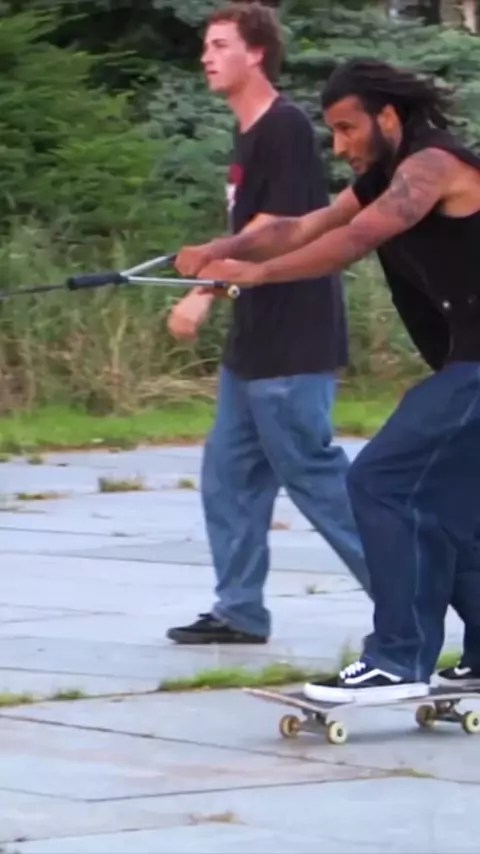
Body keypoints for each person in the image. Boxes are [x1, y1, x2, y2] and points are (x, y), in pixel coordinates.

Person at [181, 57, 480, 700]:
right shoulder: (382, 177)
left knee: (380, 482)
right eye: (334, 132)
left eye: (348, 128)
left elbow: (353, 241)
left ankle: (397, 659)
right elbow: (304, 227)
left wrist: (259, 275)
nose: (340, 145)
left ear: (388, 117)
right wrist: (223, 250)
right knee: (449, 512)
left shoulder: (433, 165)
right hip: (467, 363)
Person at [166, 5, 371, 646]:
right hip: (253, 339)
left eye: (220, 44)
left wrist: (202, 291)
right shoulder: (249, 132)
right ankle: (239, 611)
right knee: (229, 478)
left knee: (316, 478)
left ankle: (411, 595)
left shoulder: (284, 127)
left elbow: (276, 229)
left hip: (293, 338)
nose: (207, 56)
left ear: (256, 53)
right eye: (206, 46)